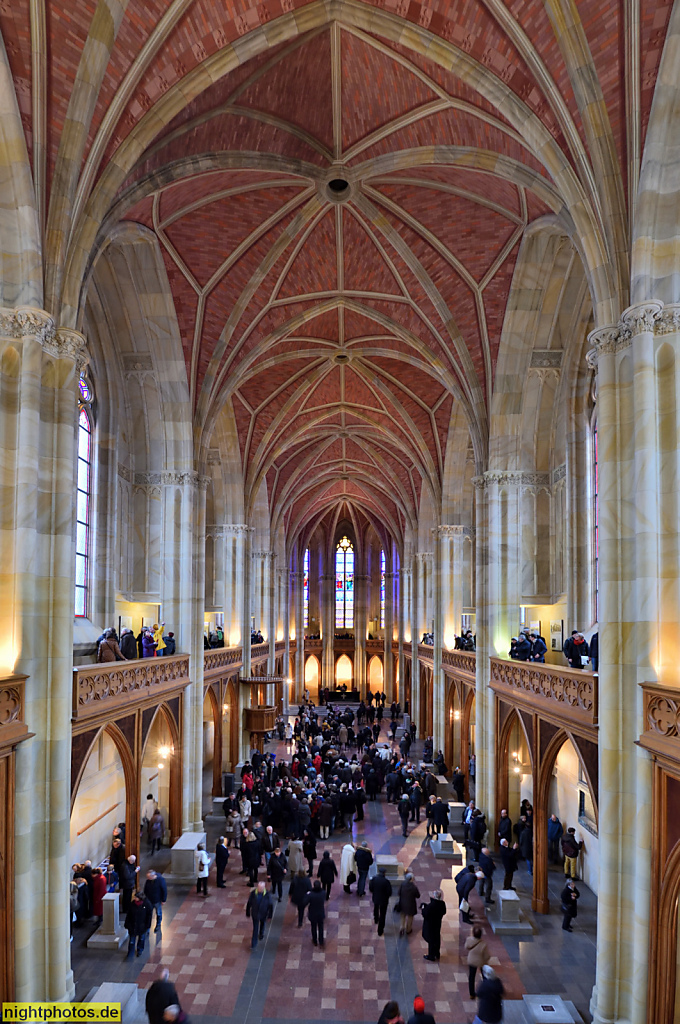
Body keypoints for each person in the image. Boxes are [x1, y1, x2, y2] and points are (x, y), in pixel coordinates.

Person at [246, 880, 274, 949]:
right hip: (255, 914)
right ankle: (253, 944)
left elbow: (270, 906)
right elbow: (249, 903)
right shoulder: (253, 894)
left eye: (261, 888)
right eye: (259, 887)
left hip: (263, 913)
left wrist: (270, 916)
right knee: (255, 928)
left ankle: (261, 933)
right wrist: (248, 912)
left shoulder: (267, 895)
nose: (260, 889)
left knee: (262, 923)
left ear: (264, 888)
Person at [124, 891, 152, 958]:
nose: (134, 898)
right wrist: (127, 924)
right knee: (132, 940)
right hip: (133, 926)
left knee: (141, 939)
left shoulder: (146, 904)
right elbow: (129, 914)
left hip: (142, 926)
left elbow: (149, 916)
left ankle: (140, 950)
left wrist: (147, 925)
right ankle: (130, 952)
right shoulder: (132, 904)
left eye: (136, 897)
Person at [465, 925, 490, 999]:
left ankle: (472, 994)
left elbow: (466, 947)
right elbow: (487, 956)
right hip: (481, 962)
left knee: (471, 977)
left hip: (471, 960)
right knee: (485, 976)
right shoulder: (483, 944)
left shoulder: (469, 940)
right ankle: (486, 990)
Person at [421, 888, 446, 961]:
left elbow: (425, 914)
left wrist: (423, 908)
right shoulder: (442, 904)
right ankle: (437, 953)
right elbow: (444, 912)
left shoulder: (431, 906)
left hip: (430, 925)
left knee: (431, 940)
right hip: (437, 924)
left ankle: (431, 956)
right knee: (437, 938)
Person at [369, 865, 392, 936]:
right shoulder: (386, 882)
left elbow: (371, 888)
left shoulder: (374, 879)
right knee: (383, 914)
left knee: (376, 908)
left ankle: (376, 919)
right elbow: (389, 892)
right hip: (384, 900)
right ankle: (380, 930)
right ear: (384, 873)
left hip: (376, 898)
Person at [304, 878, 326, 947]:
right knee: (321, 927)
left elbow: (305, 902)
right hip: (320, 913)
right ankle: (321, 941)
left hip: (313, 913)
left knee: (313, 927)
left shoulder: (311, 894)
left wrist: (307, 894)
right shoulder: (323, 893)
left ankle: (315, 940)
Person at [397, 871, 420, 936]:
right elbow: (418, 896)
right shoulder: (414, 887)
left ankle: (402, 927)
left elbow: (399, 893)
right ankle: (408, 930)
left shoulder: (402, 884)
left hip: (402, 903)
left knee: (402, 916)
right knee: (410, 917)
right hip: (411, 905)